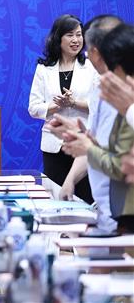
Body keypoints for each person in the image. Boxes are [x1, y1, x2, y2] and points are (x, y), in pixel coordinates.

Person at [48, 15, 122, 232]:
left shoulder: (126, 91)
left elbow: (123, 160)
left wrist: (87, 144)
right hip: (105, 208)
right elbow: (95, 143)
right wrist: (70, 181)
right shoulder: (100, 90)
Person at [62, 23, 134, 233]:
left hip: (123, 215)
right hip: (109, 210)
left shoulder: (125, 101)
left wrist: (88, 147)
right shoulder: (102, 92)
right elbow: (101, 145)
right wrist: (81, 138)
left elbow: (120, 166)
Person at [28, 14, 96, 203]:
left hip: (83, 143)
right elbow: (33, 108)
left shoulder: (91, 66)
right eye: (70, 35)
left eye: (79, 35)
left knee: (85, 199)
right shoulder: (44, 69)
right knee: (56, 200)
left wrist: (74, 103)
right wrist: (56, 105)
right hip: (54, 146)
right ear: (58, 38)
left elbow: (100, 105)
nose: (76, 40)